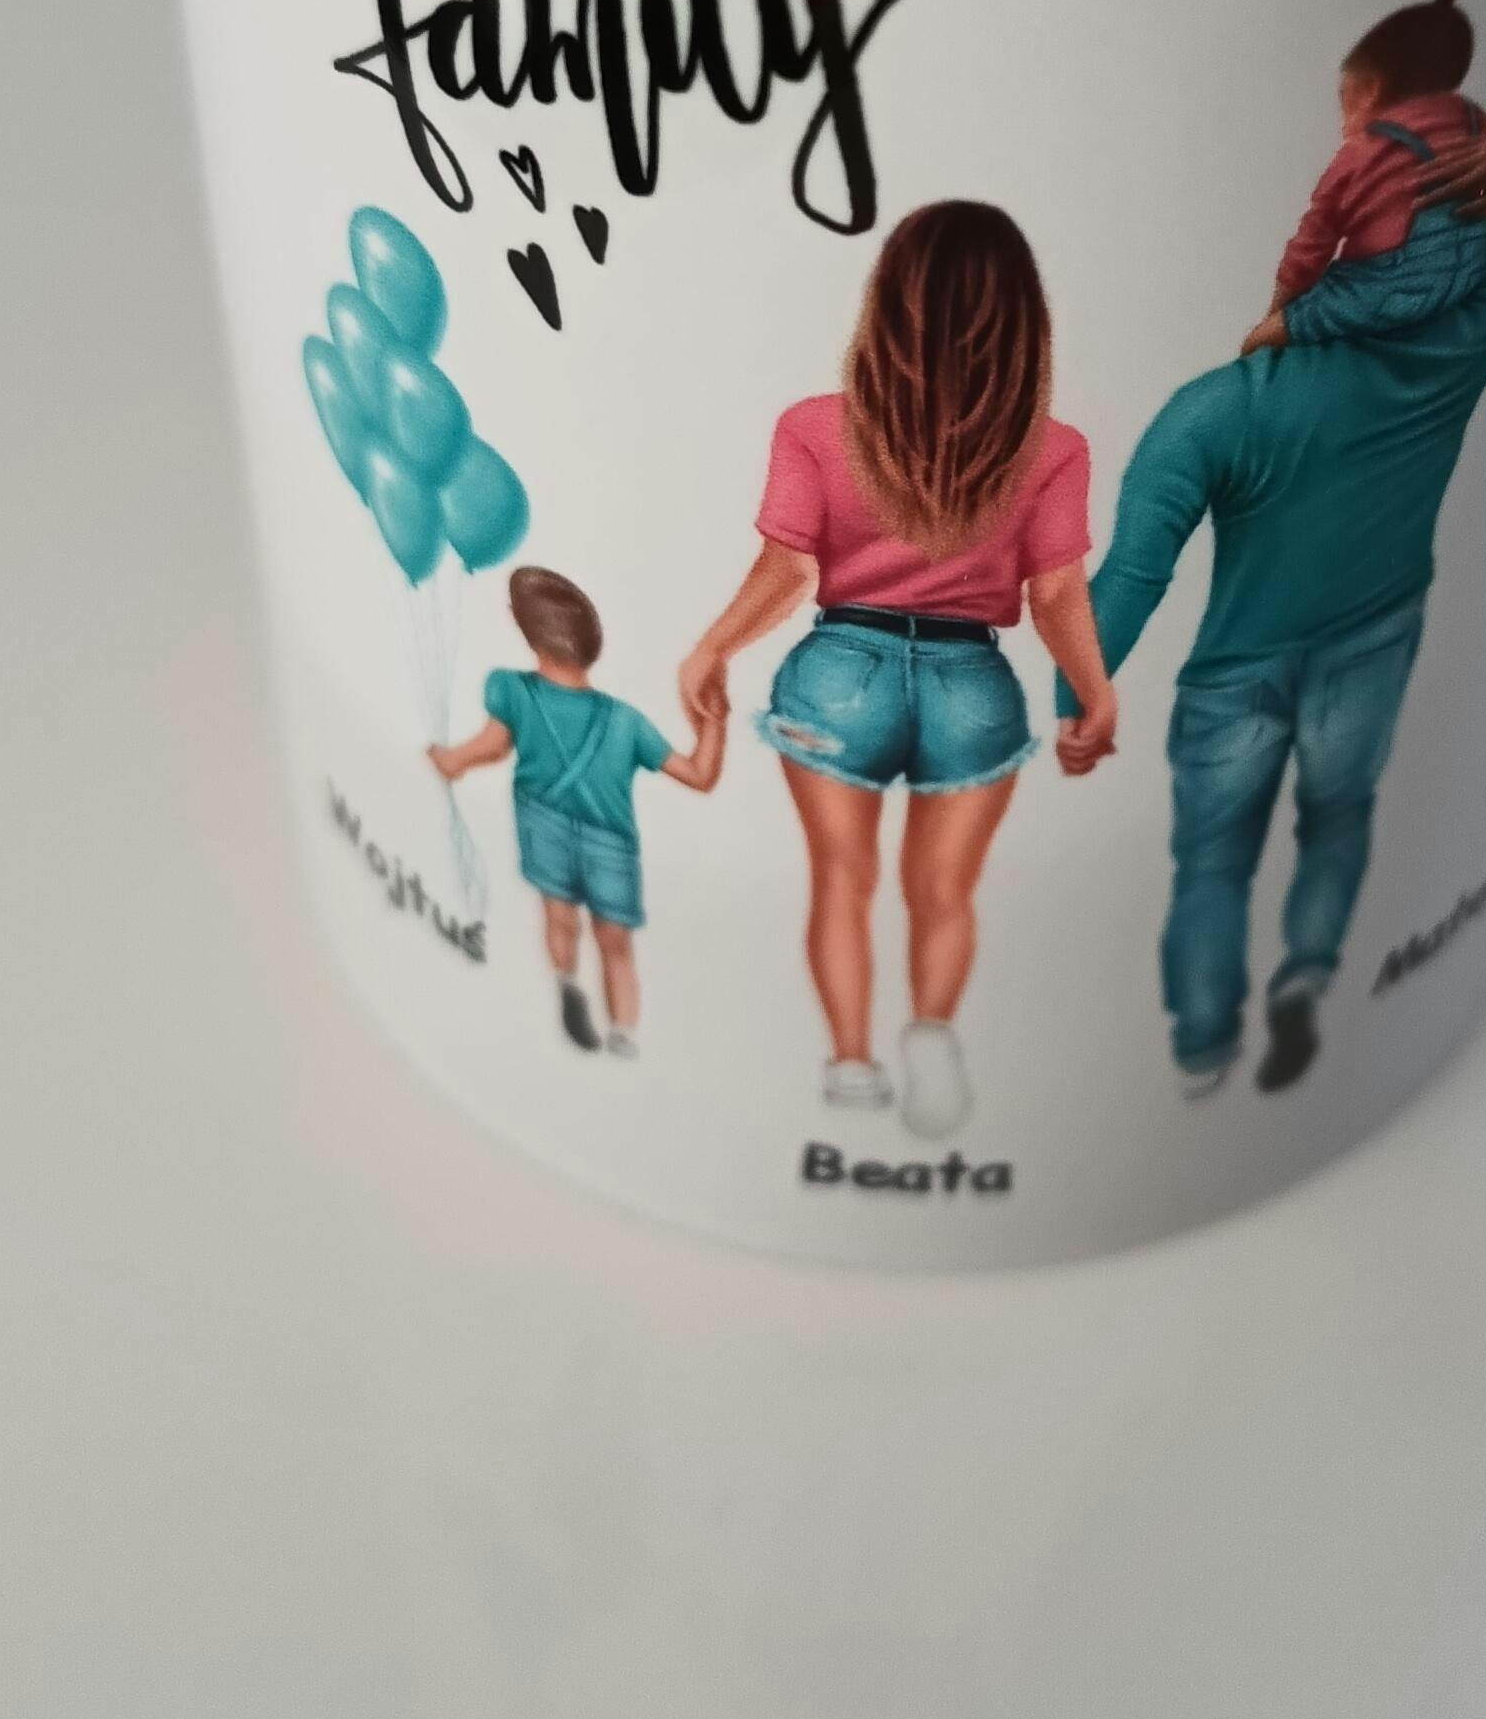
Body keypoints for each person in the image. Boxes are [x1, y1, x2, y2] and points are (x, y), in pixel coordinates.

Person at [1077, 121, 1486, 1097]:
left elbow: (1133, 580)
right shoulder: (1467, 340)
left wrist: (1073, 699)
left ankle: (1203, 1045)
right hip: (1376, 638)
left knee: (1212, 864)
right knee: (1340, 812)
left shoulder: (1218, 406)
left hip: (1236, 672)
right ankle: (1308, 972)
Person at [681, 202, 1117, 1138]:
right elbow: (1056, 595)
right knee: (944, 893)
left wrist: (712, 648)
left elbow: (788, 569)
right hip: (973, 683)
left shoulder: (815, 428)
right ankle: (930, 1038)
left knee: (841, 880)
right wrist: (1095, 693)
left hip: (839, 667)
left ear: (888, 299)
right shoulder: (1052, 450)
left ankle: (848, 1066)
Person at [432, 564, 723, 1057]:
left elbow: (492, 746)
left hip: (542, 819)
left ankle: (567, 983)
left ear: (528, 632)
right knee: (615, 941)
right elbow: (698, 775)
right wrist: (715, 721)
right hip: (610, 840)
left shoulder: (513, 690)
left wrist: (451, 760)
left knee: (559, 915)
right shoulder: (625, 721)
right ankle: (622, 1032)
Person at [1243, 0, 1486, 355]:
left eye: (1343, 99)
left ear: (1369, 90)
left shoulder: (1362, 153)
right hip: (1467, 273)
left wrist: (1278, 311)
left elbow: (1311, 246)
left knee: (1266, 336)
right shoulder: (1474, 120)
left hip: (1391, 294)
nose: (1342, 121)